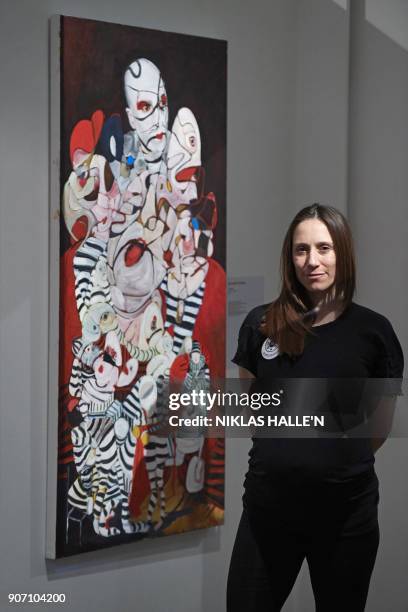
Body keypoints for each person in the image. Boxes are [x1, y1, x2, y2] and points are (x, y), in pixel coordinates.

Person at [227, 204, 404, 612]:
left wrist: (329, 463)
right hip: (267, 513)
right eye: (301, 250)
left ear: (342, 252)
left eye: (323, 248)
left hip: (346, 517)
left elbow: (377, 428)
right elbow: (255, 410)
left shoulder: (373, 332)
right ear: (290, 258)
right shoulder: (260, 324)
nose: (312, 261)